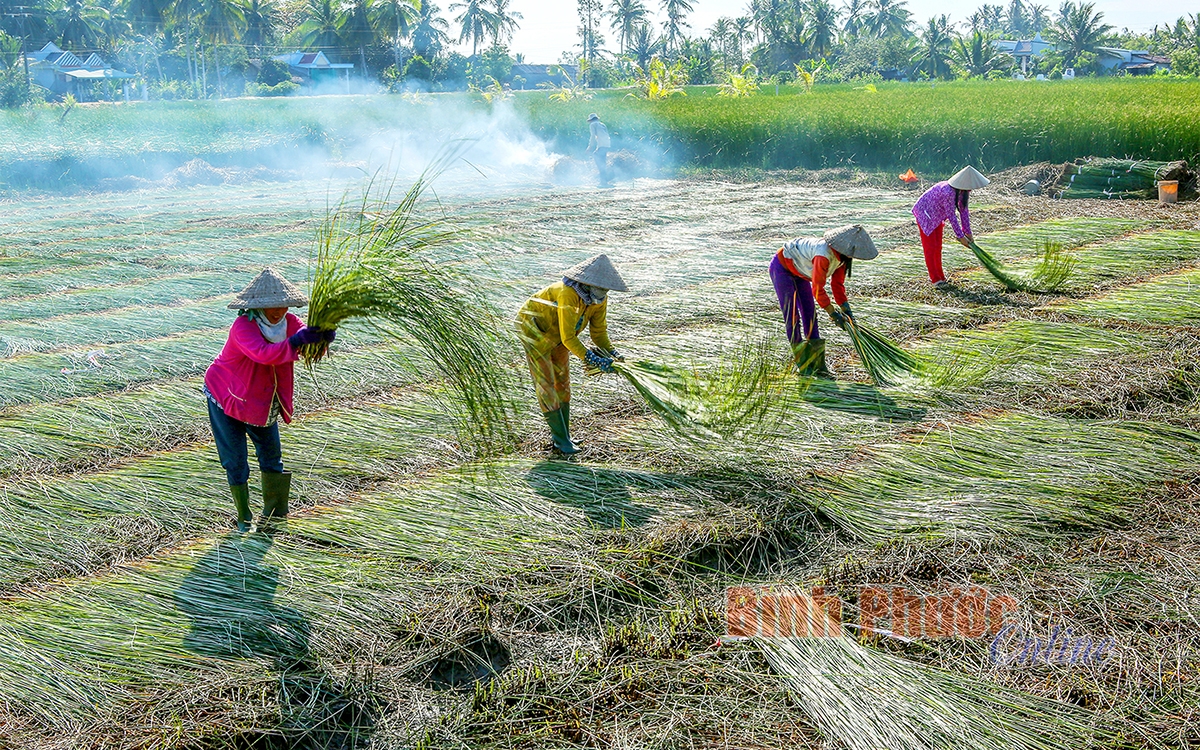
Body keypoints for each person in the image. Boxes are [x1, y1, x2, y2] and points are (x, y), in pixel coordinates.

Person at [203, 268, 335, 531]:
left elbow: (306, 347)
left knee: (272, 457)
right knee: (236, 460)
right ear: (258, 306)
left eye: (282, 305)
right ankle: (244, 517)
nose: (278, 311)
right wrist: (298, 340)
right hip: (226, 396)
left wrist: (322, 338)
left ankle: (274, 517)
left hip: (262, 401)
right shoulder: (243, 327)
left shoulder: (290, 323)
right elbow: (264, 354)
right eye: (271, 306)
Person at [516, 254, 628, 455]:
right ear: (587, 283)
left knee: (563, 381)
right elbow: (569, 338)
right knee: (547, 383)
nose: (603, 293)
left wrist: (613, 353)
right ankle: (561, 441)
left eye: (606, 290)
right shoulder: (567, 294)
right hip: (535, 330)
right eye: (600, 288)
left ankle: (565, 435)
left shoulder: (599, 299)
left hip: (559, 335)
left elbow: (599, 333)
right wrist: (593, 359)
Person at [769, 224, 878, 378]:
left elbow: (837, 285)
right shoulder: (823, 254)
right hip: (782, 268)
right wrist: (833, 314)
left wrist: (847, 312)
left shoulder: (842, 258)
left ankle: (818, 366)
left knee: (810, 316)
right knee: (792, 317)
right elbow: (818, 289)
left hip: (801, 273)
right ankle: (804, 366)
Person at [912, 165, 990, 289]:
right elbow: (952, 216)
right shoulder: (948, 192)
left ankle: (941, 277)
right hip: (925, 214)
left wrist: (968, 233)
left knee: (938, 247)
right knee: (930, 248)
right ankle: (935, 279)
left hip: (937, 216)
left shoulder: (963, 192)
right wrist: (960, 237)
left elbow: (964, 211)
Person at [586, 113, 612, 187]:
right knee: (602, 161)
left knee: (598, 159)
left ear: (591, 120)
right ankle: (604, 180)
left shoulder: (593, 125)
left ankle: (603, 181)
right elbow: (605, 136)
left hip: (602, 145)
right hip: (607, 145)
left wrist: (590, 147)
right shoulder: (602, 125)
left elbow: (593, 136)